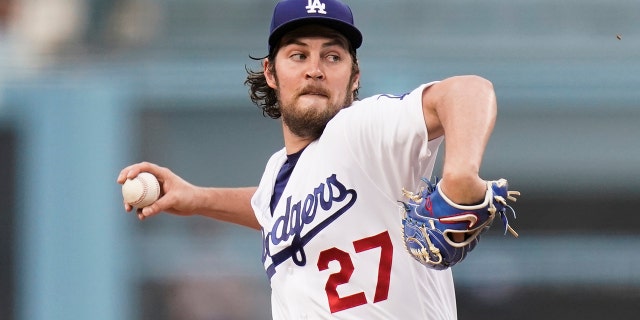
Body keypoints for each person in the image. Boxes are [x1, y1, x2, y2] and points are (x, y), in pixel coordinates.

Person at [117, 0, 500, 318]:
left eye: (332, 56)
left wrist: (460, 175)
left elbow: (468, 91)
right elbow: (270, 207)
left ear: (354, 76)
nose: (315, 70)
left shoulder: (363, 128)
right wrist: (196, 198)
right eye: (298, 55)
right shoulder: (279, 174)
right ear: (270, 72)